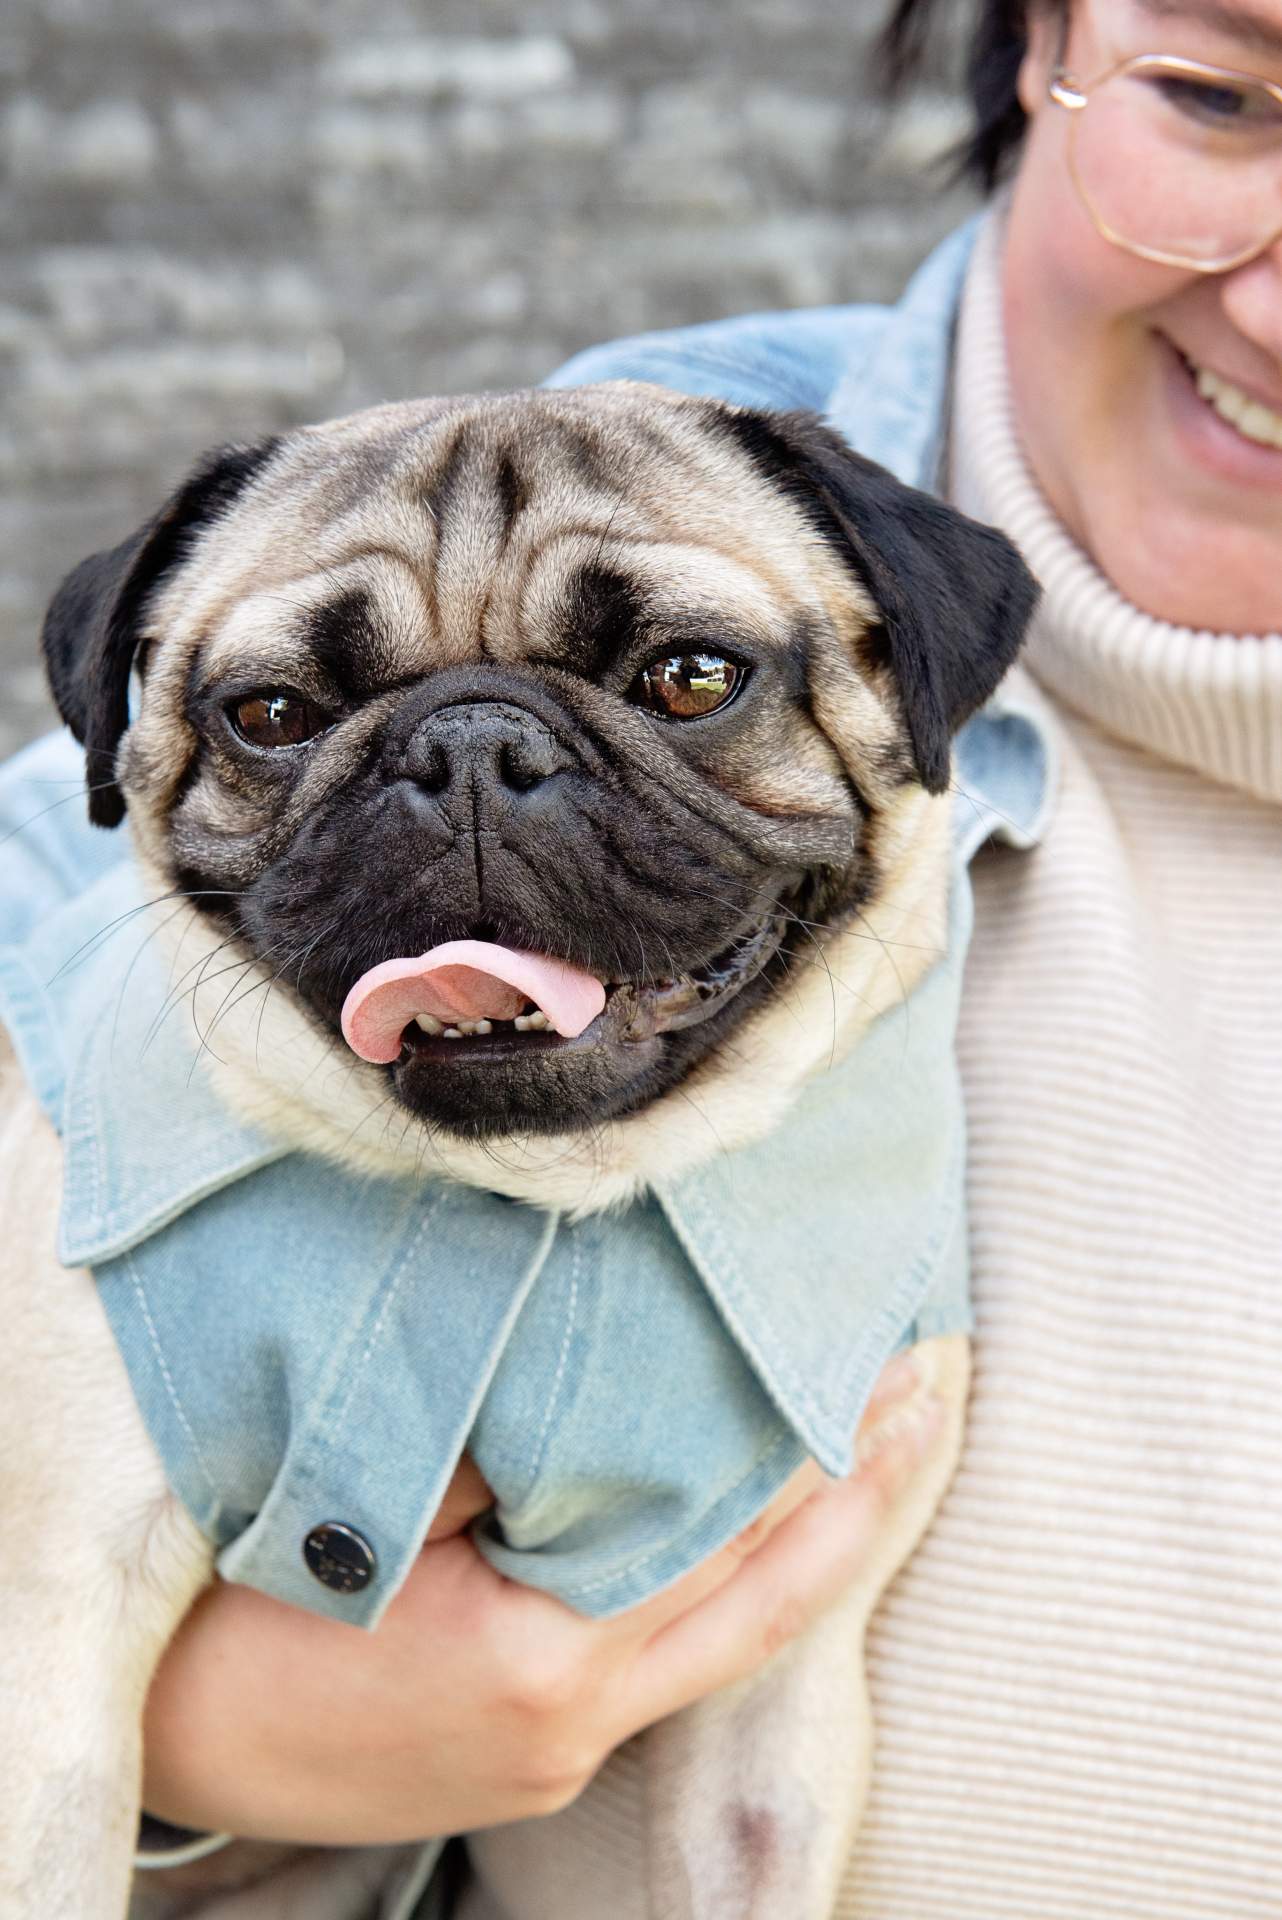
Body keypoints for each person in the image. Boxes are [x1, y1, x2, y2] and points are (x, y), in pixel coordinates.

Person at [73, 0, 1282, 1910]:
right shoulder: (557, 475)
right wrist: (181, 1738)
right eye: (1218, 96)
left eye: (687, 684)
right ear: (1037, 36)